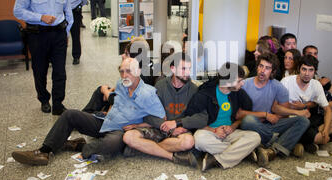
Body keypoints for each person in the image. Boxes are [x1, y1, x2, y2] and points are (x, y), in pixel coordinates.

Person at [11, 58, 166, 166]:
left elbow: (162, 119)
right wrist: (107, 105)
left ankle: (77, 146)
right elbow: (115, 100)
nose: (125, 75)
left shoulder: (148, 94)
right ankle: (43, 152)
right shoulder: (121, 83)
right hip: (106, 122)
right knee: (69, 114)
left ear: (138, 71)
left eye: (129, 72)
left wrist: (136, 126)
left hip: (119, 131)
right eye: (122, 71)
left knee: (111, 144)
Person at [13, 0, 73, 115]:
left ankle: (58, 103)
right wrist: (40, 17)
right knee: (40, 70)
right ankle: (44, 99)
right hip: (38, 35)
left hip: (59, 34)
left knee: (60, 71)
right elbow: (18, 11)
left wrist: (65, 33)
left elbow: (68, 12)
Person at [123, 52, 205, 168]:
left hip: (181, 129)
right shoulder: (160, 86)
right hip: (159, 128)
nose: (187, 73)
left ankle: (143, 148)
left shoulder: (194, 90)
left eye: (189, 68)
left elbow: (202, 117)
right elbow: (147, 114)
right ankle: (171, 156)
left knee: (189, 142)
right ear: (173, 69)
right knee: (128, 137)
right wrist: (166, 127)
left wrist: (176, 124)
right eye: (183, 68)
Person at [186, 62, 262, 172]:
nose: (243, 83)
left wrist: (234, 126)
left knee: (255, 137)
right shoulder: (204, 94)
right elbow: (191, 120)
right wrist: (214, 130)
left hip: (230, 132)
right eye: (239, 81)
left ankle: (217, 159)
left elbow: (244, 115)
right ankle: (244, 152)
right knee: (199, 140)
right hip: (209, 132)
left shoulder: (239, 93)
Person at [239, 52, 310, 166]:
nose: (262, 70)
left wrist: (277, 117)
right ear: (257, 67)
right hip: (253, 124)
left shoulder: (278, 87)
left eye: (267, 68)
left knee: (303, 121)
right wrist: (265, 115)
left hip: (271, 125)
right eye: (261, 66)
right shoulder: (245, 85)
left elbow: (284, 114)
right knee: (248, 120)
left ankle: (271, 150)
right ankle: (281, 144)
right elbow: (239, 114)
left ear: (272, 72)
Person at [281, 55, 332, 154]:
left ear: (315, 71)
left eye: (311, 70)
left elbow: (327, 110)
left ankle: (314, 138)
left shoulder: (316, 84)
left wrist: (326, 130)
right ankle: (316, 139)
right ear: (299, 69)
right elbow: (277, 107)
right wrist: (296, 109)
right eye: (304, 69)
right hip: (292, 119)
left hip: (308, 117)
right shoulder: (286, 82)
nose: (307, 74)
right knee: (313, 133)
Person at [82, 37, 157, 114]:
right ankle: (86, 115)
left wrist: (105, 91)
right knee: (103, 92)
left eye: (126, 54)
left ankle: (86, 116)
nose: (122, 55)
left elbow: (119, 100)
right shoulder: (148, 63)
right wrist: (110, 91)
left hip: (131, 110)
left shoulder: (137, 76)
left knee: (101, 90)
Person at [59, 0, 88, 65]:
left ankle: (76, 56)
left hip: (75, 12)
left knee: (75, 35)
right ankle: (60, 55)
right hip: (62, 13)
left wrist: (78, 7)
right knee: (61, 35)